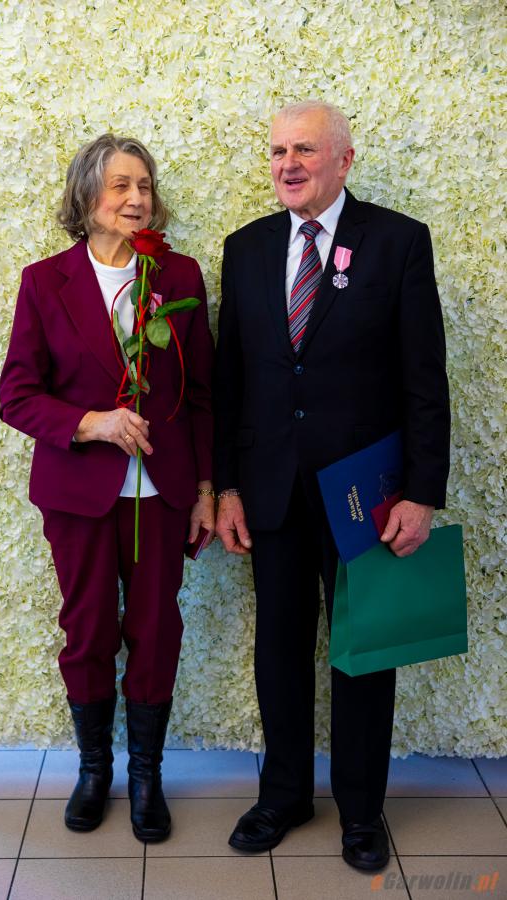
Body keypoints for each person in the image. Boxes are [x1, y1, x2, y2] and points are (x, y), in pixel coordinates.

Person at [213, 100, 450, 870]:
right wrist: (226, 486)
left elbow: (424, 380)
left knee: (362, 654)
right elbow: (229, 381)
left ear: (344, 160)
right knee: (279, 650)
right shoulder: (245, 248)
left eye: (305, 150)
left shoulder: (399, 242)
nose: (288, 164)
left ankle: (361, 811)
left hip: (366, 496)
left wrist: (422, 491)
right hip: (272, 490)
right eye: (278, 150)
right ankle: (283, 794)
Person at [0, 134, 214, 840]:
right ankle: (95, 770)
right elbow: (17, 396)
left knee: (155, 632)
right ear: (87, 196)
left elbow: (203, 393)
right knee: (87, 630)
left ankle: (147, 775)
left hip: (163, 494)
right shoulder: (45, 282)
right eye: (120, 185)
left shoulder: (178, 275)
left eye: (144, 186)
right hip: (78, 496)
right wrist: (92, 423)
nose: (136, 198)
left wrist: (206, 487)